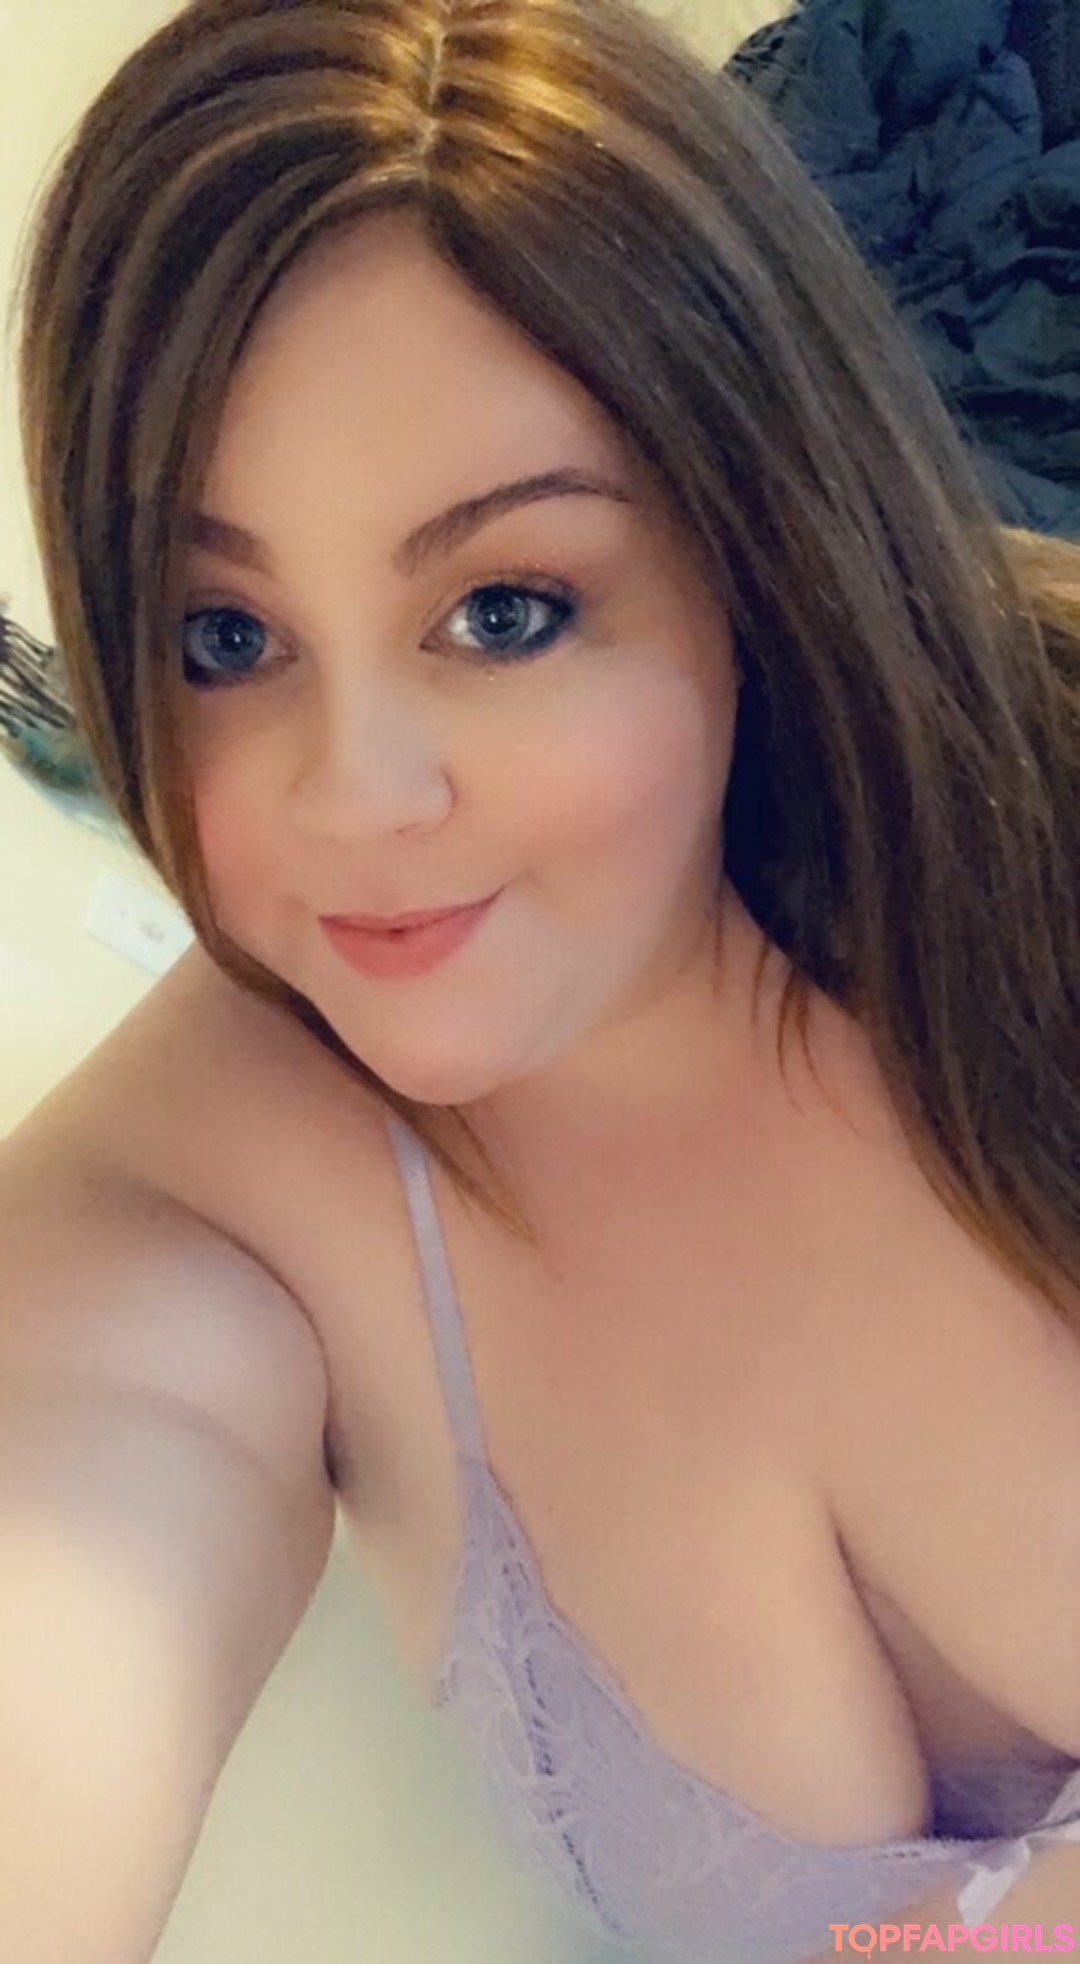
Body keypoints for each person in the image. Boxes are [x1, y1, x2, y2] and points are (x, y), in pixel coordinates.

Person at [5, 0, 1080, 1957]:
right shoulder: (203, 1182)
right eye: (223, 638)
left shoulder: (1034, 835)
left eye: (502, 611)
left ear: (752, 548)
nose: (357, 797)